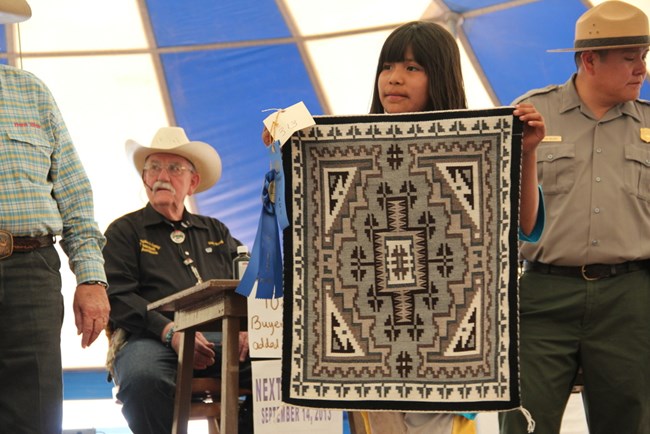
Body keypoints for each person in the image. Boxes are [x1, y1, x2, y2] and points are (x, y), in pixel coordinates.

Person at [263, 20, 545, 434]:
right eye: (388, 66)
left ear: (441, 77)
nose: (394, 78)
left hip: (445, 344)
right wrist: (286, 151)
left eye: (413, 68)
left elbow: (525, 226)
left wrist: (528, 152)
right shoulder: (345, 153)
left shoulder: (476, 150)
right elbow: (313, 225)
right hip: (368, 346)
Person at [499, 2, 650, 433]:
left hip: (631, 299)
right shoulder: (530, 114)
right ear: (589, 60)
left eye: (643, 55)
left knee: (630, 423)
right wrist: (526, 149)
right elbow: (504, 215)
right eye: (629, 57)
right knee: (524, 423)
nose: (641, 68)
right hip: (543, 294)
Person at [0, 1, 110, 433]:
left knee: (37, 415)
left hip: (33, 269)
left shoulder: (30, 91)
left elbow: (74, 194)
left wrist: (91, 278)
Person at [103, 126, 253, 434]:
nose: (162, 175)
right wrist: (169, 331)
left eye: (174, 168)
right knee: (143, 379)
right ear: (144, 179)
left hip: (221, 338)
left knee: (284, 367)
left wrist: (250, 327)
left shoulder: (216, 232)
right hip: (151, 339)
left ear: (193, 183)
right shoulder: (124, 231)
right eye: (154, 168)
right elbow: (117, 297)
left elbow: (250, 281)